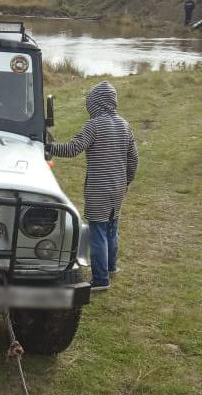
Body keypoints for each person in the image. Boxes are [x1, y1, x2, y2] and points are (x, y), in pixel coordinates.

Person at [46, 81, 138, 291]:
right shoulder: (124, 125)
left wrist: (49, 147)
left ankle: (100, 279)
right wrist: (127, 181)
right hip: (117, 187)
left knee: (97, 232)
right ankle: (111, 267)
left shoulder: (94, 125)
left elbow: (73, 148)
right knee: (112, 228)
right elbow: (134, 158)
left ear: (95, 104)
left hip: (99, 188)